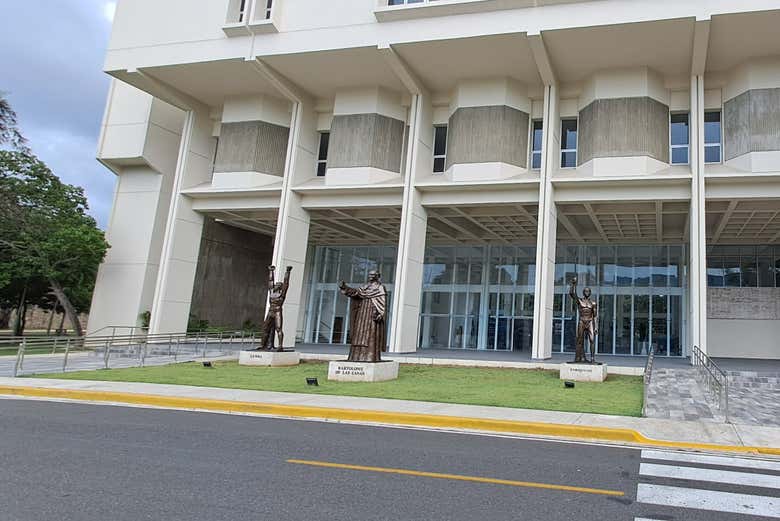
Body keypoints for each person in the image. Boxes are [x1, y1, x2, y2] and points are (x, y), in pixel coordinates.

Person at [339, 270, 387, 362]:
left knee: (370, 335)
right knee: (359, 334)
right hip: (362, 313)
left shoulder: (380, 288)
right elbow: (355, 293)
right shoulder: (365, 287)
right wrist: (345, 287)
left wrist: (380, 313)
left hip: (372, 314)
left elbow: (382, 303)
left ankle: (370, 356)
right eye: (369, 275)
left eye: (373, 275)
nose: (370, 276)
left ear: (377, 276)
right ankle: (356, 356)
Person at [258, 265, 292, 351]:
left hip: (277, 312)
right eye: (276, 284)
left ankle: (280, 346)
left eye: (278, 285)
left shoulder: (282, 294)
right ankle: (263, 345)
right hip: (270, 312)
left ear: (280, 287)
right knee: (265, 328)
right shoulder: (272, 293)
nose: (276, 285)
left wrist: (288, 272)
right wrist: (271, 271)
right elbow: (270, 281)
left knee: (278, 328)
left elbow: (286, 283)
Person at [569, 276, 598, 363]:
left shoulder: (593, 303)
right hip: (581, 321)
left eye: (588, 291)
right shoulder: (580, 301)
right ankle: (579, 357)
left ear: (590, 293)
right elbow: (572, 294)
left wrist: (596, 327)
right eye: (585, 291)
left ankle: (592, 358)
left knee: (592, 340)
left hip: (590, 322)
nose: (587, 292)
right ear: (583, 292)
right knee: (579, 340)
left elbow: (595, 316)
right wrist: (573, 284)